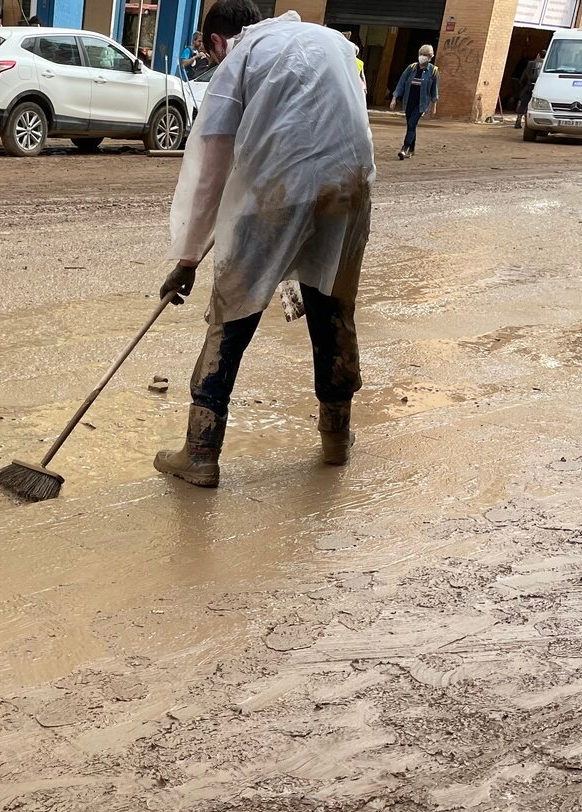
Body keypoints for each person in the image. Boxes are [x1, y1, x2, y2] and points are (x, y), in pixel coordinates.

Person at [154, 0, 373, 485]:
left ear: (216, 41)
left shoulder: (239, 58)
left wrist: (188, 257)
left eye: (207, 53)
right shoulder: (334, 41)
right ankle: (336, 437)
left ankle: (200, 453)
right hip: (350, 186)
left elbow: (210, 171)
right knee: (331, 305)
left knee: (232, 311)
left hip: (276, 192)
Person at [389, 45, 438, 159]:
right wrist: (394, 98)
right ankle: (412, 149)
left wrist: (434, 105)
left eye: (425, 55)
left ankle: (404, 148)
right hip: (409, 101)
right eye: (421, 54)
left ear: (430, 57)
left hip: (421, 104)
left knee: (412, 124)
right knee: (411, 125)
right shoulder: (411, 68)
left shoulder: (433, 71)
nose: (422, 57)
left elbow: (434, 89)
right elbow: (401, 83)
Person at [514, 51, 543, 129]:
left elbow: (526, 74)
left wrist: (523, 82)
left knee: (524, 103)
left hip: (529, 85)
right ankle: (530, 123)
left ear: (538, 55)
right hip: (539, 88)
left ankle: (518, 120)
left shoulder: (531, 63)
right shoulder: (546, 65)